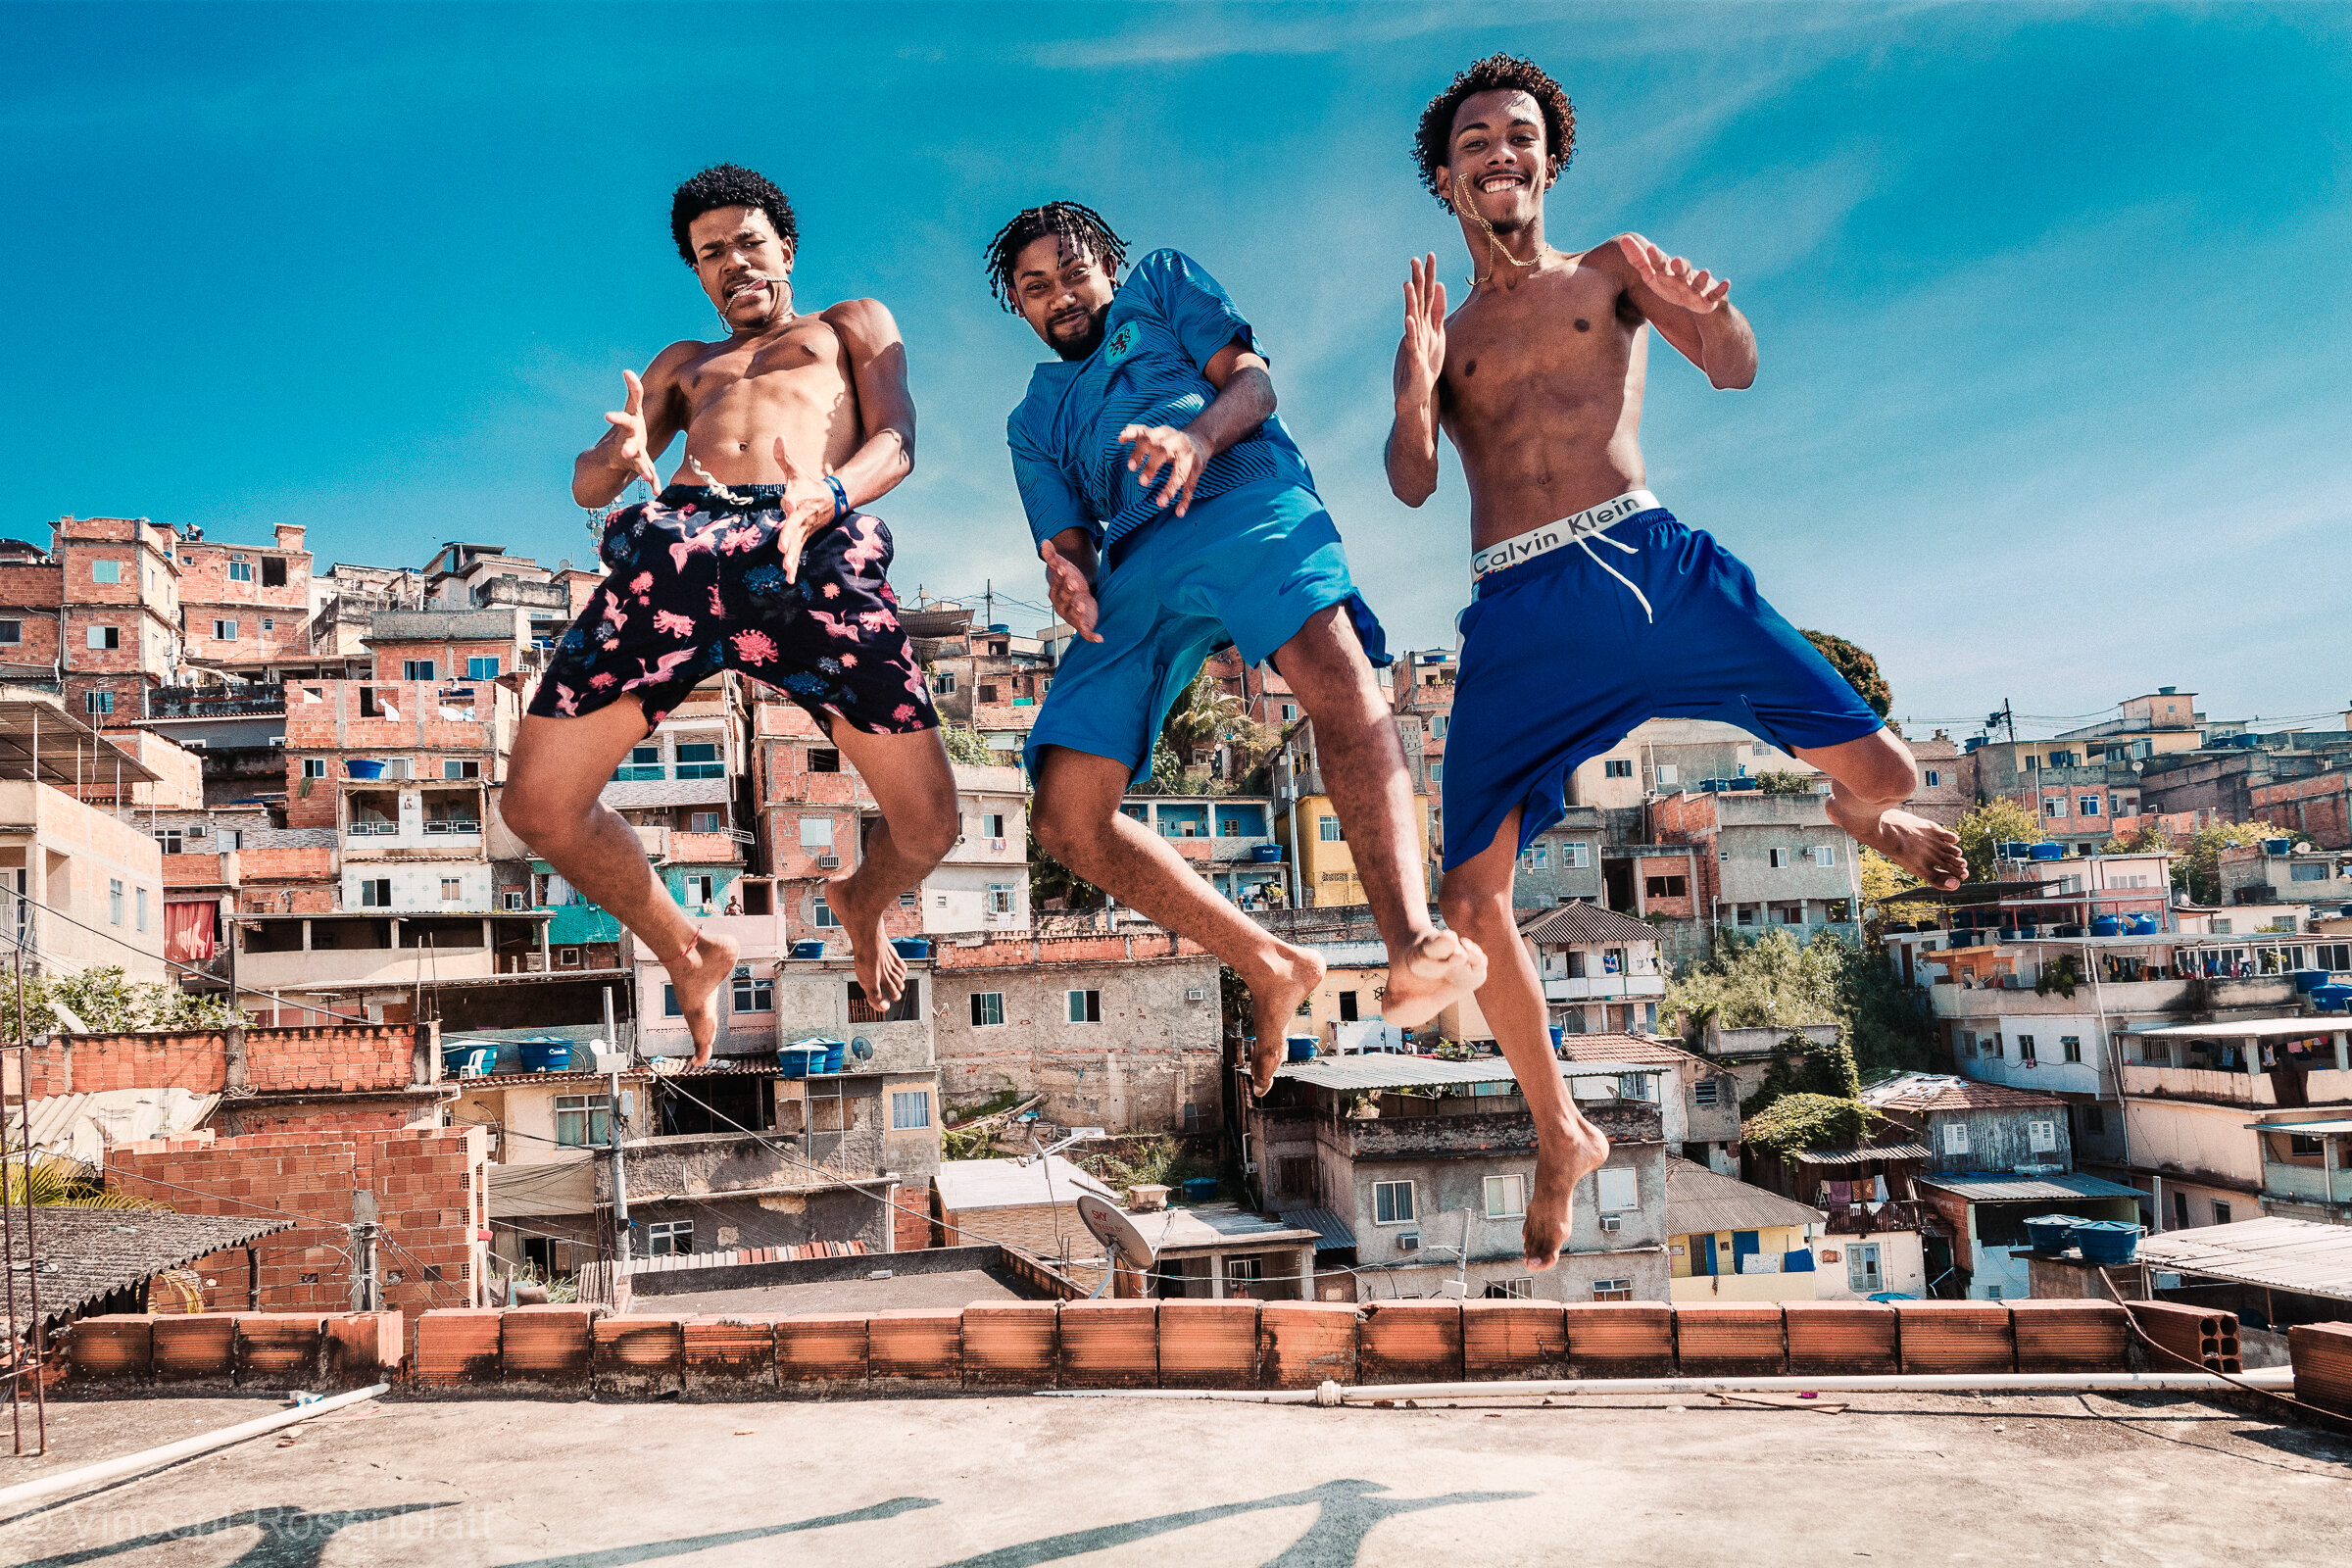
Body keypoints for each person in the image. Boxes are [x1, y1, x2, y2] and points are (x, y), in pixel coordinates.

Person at [1388, 57, 1967, 1268]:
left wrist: (1711, 306)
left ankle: (1858, 822)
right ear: (1445, 176)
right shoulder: (1449, 334)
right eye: (1478, 139)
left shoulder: (1613, 269)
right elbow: (1413, 482)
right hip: (1520, 605)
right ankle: (1563, 1130)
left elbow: (1737, 365)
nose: (1503, 151)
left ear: (1549, 161)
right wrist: (1410, 388)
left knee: (1897, 778)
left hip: (1649, 565)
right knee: (1469, 897)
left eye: (1524, 136)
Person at [984, 202, 1486, 1095]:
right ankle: (1269, 961)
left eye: (1073, 270)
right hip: (1140, 562)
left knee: (1332, 669)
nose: (1061, 294)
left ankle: (1411, 940)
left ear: (1108, 263)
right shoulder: (1034, 418)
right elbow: (1068, 548)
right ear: (1018, 306)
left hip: (1244, 492)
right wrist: (1068, 580)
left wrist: (1196, 434)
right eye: (1035, 286)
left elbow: (1255, 386)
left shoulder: (1165, 284)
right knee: (1066, 813)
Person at [505, 165, 957, 1064]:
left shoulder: (851, 325)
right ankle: (687, 943)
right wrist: (620, 450)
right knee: (538, 806)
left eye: (750, 242)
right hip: (681, 543)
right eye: (713, 253)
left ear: (785, 247)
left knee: (931, 824)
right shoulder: (684, 364)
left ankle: (862, 900)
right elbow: (589, 484)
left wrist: (828, 495)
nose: (735, 262)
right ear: (700, 273)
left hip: (809, 536)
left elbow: (898, 440)